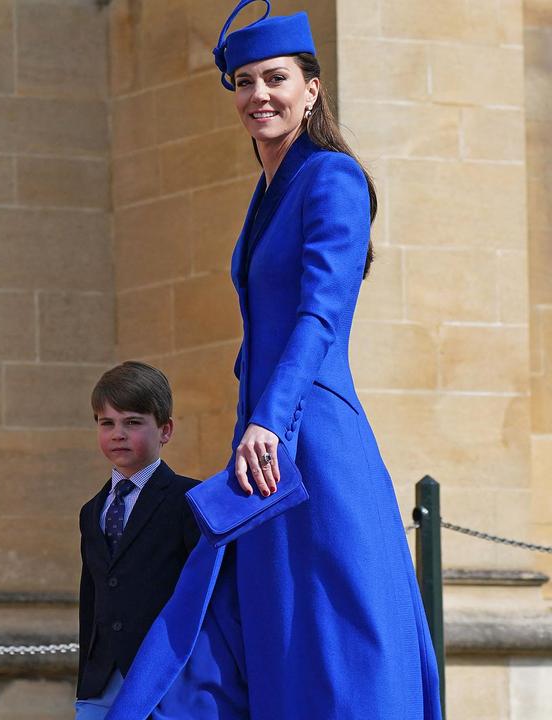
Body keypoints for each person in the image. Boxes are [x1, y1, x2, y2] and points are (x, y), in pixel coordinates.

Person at [108, 3, 442, 718]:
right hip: (263, 438)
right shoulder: (268, 191)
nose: (259, 94)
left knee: (333, 631)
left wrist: (268, 418)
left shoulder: (332, 179)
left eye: (277, 78)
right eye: (245, 81)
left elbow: (320, 314)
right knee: (249, 628)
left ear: (311, 89)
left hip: (310, 438)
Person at [75, 362, 200, 720]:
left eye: (132, 422)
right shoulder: (91, 511)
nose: (118, 434)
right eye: (107, 423)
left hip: (165, 680)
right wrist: (85, 678)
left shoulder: (190, 500)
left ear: (165, 430)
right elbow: (92, 600)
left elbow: (203, 596)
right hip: (100, 683)